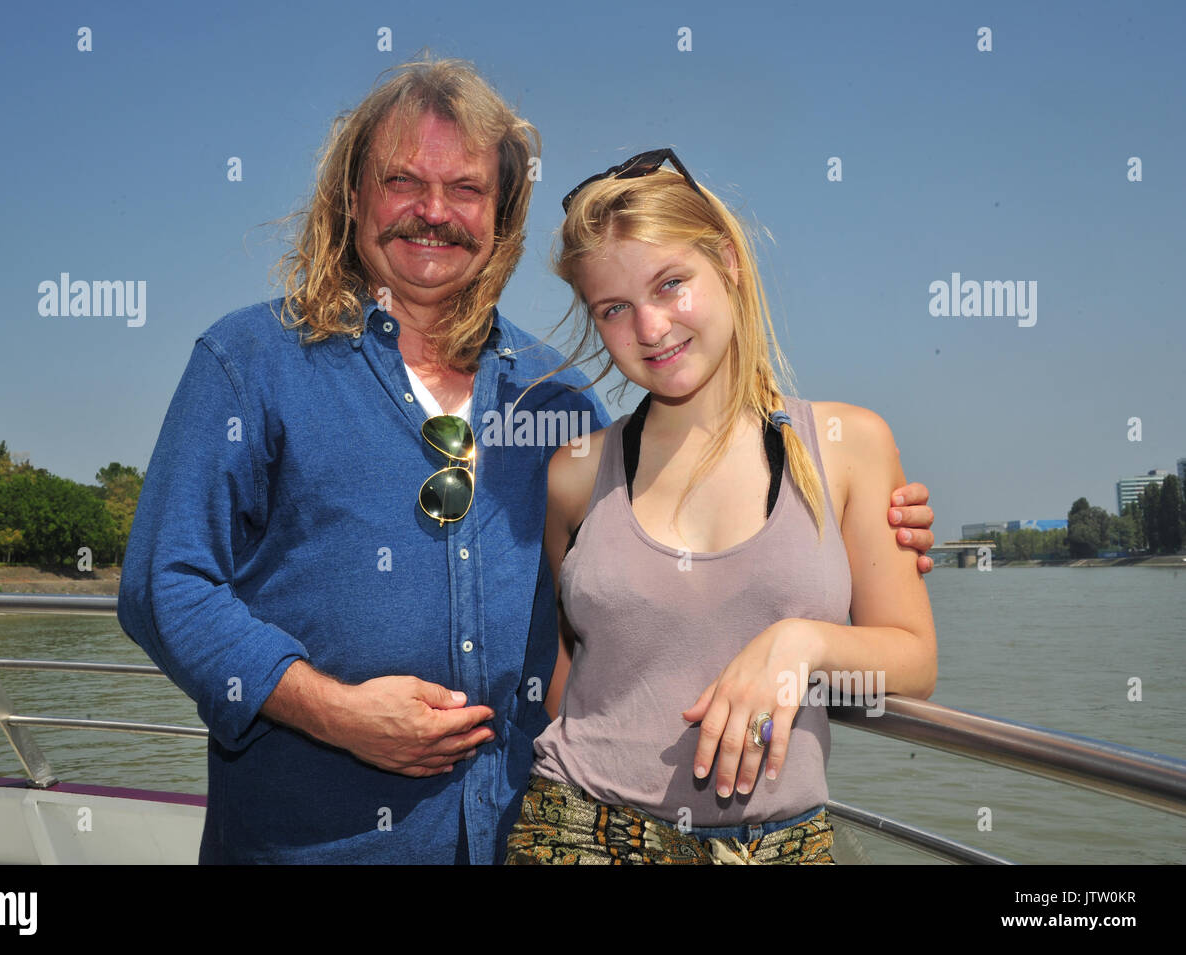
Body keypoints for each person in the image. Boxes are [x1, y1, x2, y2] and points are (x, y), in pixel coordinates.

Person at [117, 59, 936, 864]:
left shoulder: (556, 403)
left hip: (520, 831)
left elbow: (623, 590)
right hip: (305, 842)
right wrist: (334, 711)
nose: (434, 212)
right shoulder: (249, 360)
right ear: (352, 197)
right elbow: (166, 584)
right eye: (404, 181)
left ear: (501, 214)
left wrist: (849, 545)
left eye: (467, 189)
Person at [505, 150, 938, 864]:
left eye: (672, 284)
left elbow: (914, 658)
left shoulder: (848, 445)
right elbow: (567, 665)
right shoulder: (576, 473)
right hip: (580, 832)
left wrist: (801, 643)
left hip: (780, 846)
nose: (650, 328)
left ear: (730, 263)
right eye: (614, 309)